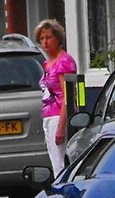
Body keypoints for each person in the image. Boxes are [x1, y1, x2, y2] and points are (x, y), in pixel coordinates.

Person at [34, 19, 77, 175]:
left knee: (60, 162)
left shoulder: (64, 61)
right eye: (42, 38)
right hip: (48, 116)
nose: (45, 42)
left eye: (48, 37)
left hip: (60, 115)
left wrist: (60, 126)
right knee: (54, 159)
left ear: (58, 38)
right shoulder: (47, 63)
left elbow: (68, 95)